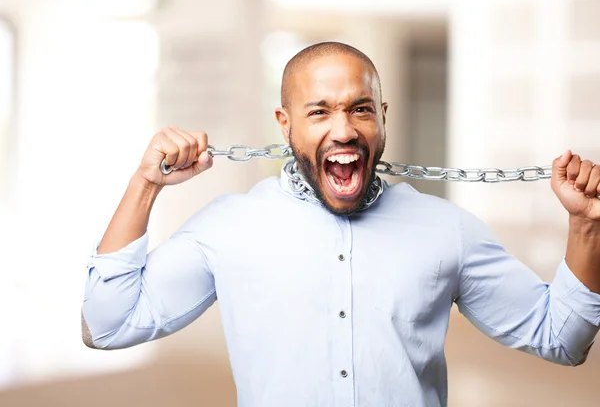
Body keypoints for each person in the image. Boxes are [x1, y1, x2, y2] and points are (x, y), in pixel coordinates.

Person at [82, 42, 600, 407]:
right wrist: (145, 184)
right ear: (285, 124)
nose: (344, 129)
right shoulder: (229, 227)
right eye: (319, 111)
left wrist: (585, 226)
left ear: (382, 117)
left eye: (360, 109)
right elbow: (106, 325)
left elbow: (561, 338)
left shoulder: (446, 230)